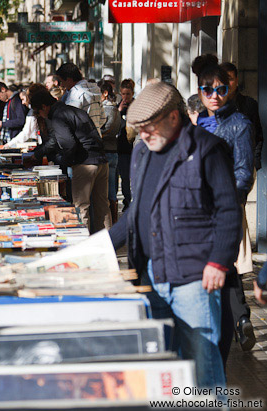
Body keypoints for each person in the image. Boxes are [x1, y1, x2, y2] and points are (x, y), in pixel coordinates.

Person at [109, 81, 241, 390]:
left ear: (173, 117)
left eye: (148, 127)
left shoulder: (206, 148)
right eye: (138, 128)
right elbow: (135, 211)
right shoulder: (142, 151)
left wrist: (219, 262)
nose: (143, 135)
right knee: (164, 370)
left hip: (194, 275)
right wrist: (101, 246)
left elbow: (228, 210)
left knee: (201, 369)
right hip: (152, 274)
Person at [192, 55, 256, 356]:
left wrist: (226, 204)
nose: (214, 96)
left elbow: (244, 174)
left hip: (223, 212)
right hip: (195, 213)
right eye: (207, 90)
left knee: (226, 269)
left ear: (228, 89)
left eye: (220, 90)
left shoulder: (239, 124)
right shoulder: (197, 120)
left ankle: (232, 330)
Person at [31, 90, 111, 233]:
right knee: (102, 206)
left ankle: (82, 247)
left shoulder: (58, 116)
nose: (40, 116)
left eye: (38, 112)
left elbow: (68, 144)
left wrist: (65, 161)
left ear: (44, 107)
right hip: (100, 160)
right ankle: (109, 243)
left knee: (81, 207)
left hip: (85, 163)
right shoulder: (74, 111)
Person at [221, 61, 263, 170]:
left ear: (236, 81)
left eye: (230, 79)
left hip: (244, 165)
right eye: (223, 79)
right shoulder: (213, 105)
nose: (226, 83)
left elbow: (257, 135)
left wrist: (255, 162)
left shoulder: (249, 104)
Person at [55, 63, 105, 136]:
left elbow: (69, 121)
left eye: (61, 81)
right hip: (96, 137)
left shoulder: (75, 94)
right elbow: (103, 118)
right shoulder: (95, 89)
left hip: (82, 140)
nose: (61, 85)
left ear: (69, 80)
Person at [100, 81, 121, 224]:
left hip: (108, 152)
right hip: (111, 151)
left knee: (110, 190)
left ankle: (112, 220)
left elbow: (108, 130)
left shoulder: (109, 109)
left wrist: (96, 134)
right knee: (111, 188)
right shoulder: (114, 109)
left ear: (105, 93)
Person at [4, 83, 47, 149]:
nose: (22, 103)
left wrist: (9, 144)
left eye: (23, 99)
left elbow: (26, 133)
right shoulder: (36, 110)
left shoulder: (33, 112)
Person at [116, 79, 136, 210]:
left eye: (128, 94)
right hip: (122, 148)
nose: (125, 97)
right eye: (123, 94)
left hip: (134, 148)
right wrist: (118, 111)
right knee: (124, 177)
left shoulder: (136, 107)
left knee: (134, 177)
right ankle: (127, 201)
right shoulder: (118, 107)